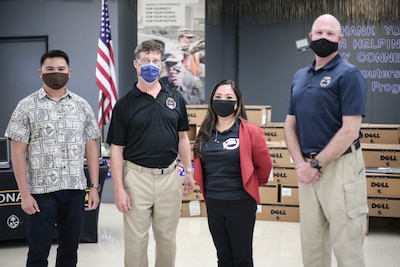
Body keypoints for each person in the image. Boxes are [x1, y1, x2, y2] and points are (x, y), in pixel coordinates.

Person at [284, 14, 368, 267]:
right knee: (312, 246)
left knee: (347, 246)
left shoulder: (349, 75)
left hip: (340, 168)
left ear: (340, 39)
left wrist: (315, 165)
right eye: (318, 32)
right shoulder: (300, 76)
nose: (323, 37)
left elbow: (350, 130)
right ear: (310, 37)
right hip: (307, 171)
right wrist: (301, 164)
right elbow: (290, 124)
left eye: (330, 34)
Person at [4, 49, 101, 267]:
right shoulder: (26, 106)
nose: (55, 73)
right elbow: (17, 153)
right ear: (40, 73)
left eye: (60, 69)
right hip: (40, 193)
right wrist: (24, 194)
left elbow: (92, 146)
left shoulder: (82, 106)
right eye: (50, 69)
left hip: (75, 190)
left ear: (70, 72)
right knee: (38, 253)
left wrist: (93, 186)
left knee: (69, 251)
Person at [106, 40, 195, 267]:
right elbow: (116, 149)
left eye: (156, 61)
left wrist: (189, 172)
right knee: (136, 242)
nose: (151, 65)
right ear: (136, 64)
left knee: (167, 240)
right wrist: (118, 189)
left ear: (162, 64)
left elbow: (183, 138)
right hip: (136, 179)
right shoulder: (124, 105)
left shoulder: (175, 98)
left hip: (169, 177)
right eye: (146, 61)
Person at [193, 79, 273, 267]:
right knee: (224, 257)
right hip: (213, 201)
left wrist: (249, 185)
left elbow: (265, 167)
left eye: (229, 97)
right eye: (218, 97)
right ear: (212, 102)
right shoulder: (204, 132)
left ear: (237, 104)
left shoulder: (251, 132)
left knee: (242, 258)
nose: (223, 101)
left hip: (240, 202)